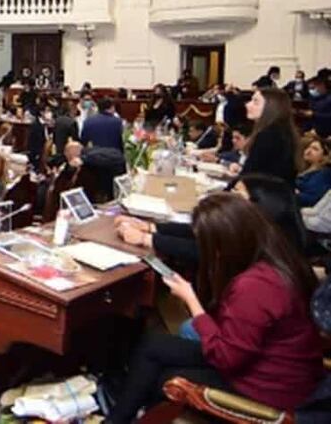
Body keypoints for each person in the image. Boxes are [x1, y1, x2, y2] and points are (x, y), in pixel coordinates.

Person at [110, 192, 322, 422]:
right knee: (153, 344)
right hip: (271, 367)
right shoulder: (276, 257)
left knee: (165, 377)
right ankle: (120, 416)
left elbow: (226, 358)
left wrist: (191, 300)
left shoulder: (255, 287)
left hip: (267, 387)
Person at [116, 173, 307, 264]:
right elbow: (201, 231)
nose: (230, 195)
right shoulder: (262, 230)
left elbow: (204, 249)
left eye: (237, 193)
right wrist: (151, 228)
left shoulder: (262, 245)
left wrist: (146, 239)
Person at [239, 87, 300, 182]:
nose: (247, 105)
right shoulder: (282, 131)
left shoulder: (269, 135)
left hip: (267, 193)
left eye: (255, 102)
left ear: (271, 107)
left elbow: (250, 173)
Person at [296, 136, 331, 208]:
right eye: (308, 147)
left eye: (315, 149)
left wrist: (293, 193)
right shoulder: (299, 169)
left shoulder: (323, 174)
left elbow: (312, 198)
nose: (309, 151)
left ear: (324, 156)